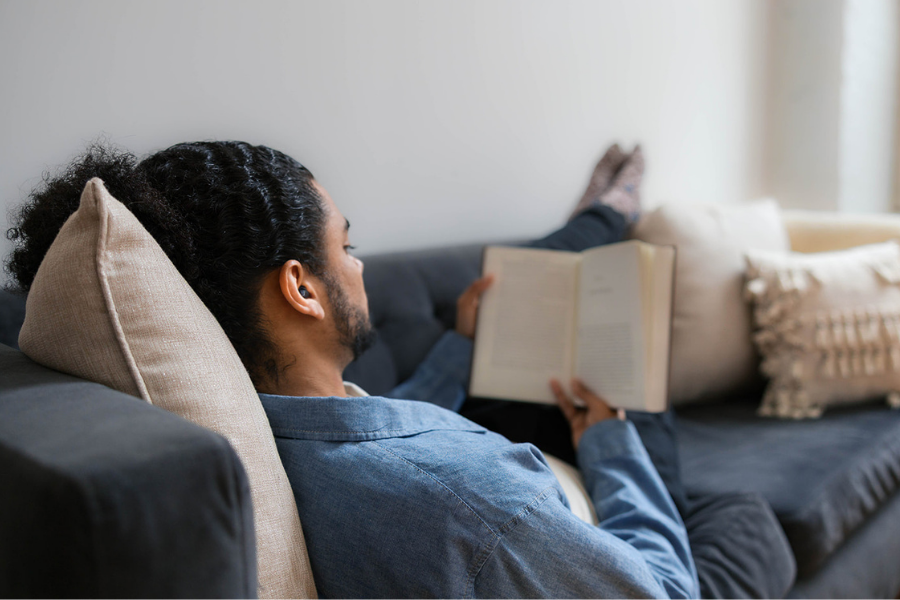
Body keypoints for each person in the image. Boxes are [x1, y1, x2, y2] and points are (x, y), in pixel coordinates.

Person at [5, 140, 699, 599]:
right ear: (301, 288)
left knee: (536, 303)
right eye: (348, 244)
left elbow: (356, 423)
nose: (360, 266)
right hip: (599, 540)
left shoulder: (266, 437)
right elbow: (667, 590)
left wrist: (459, 348)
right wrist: (611, 440)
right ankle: (605, 218)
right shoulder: (478, 502)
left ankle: (597, 219)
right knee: (737, 509)